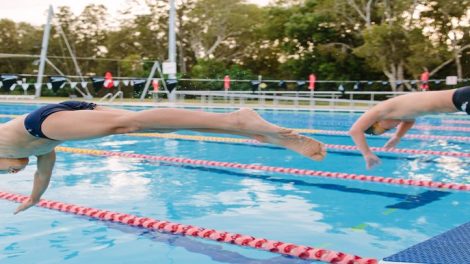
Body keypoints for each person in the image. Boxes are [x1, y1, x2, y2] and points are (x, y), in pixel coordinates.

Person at [0, 101, 327, 214]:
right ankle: (247, 129)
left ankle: (237, 120)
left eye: (4, 173)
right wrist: (33, 199)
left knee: (131, 123)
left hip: (42, 122)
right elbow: (43, 177)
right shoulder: (42, 152)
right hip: (54, 123)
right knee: (152, 124)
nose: (10, 174)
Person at [349, 86, 469, 169]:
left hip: (462, 99)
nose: (392, 128)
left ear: (378, 122)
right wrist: (397, 137)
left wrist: (367, 154)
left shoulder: (380, 110)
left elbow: (355, 130)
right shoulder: (399, 113)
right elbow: (409, 121)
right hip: (461, 100)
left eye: (386, 129)